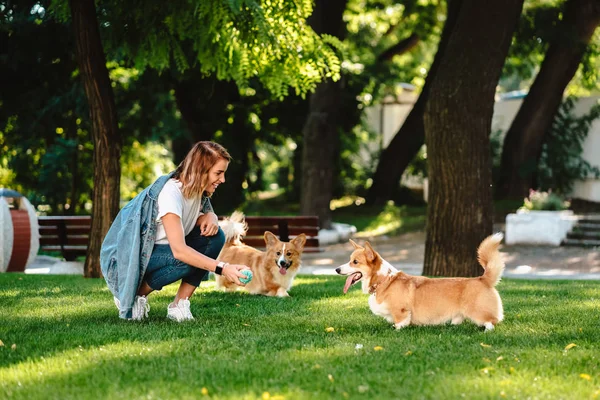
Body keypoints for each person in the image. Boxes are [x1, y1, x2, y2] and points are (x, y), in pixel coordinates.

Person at [100, 141, 249, 322]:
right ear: (200, 171)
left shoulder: (197, 191)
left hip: (160, 254)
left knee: (215, 237)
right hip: (127, 260)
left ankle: (179, 305)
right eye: (218, 173)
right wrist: (224, 268)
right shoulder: (170, 193)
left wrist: (210, 215)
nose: (223, 179)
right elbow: (179, 250)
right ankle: (134, 294)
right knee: (186, 259)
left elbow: (197, 215)